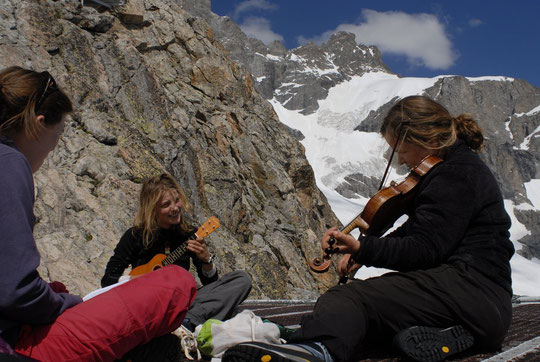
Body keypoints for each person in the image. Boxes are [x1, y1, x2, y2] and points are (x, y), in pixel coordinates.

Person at [222, 95, 515, 362]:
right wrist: (364, 254)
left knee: (346, 298)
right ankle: (451, 335)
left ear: (424, 138)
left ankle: (316, 352)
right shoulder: (455, 168)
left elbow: (426, 248)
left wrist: (364, 247)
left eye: (401, 149)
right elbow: (422, 231)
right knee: (370, 321)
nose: (400, 159)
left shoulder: (455, 174)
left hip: (471, 295)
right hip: (481, 304)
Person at [0, 66, 197, 361]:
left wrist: (206, 263)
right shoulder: (10, 163)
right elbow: (16, 290)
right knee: (178, 283)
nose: (53, 147)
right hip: (19, 342)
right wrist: (65, 304)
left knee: (59, 289)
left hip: (15, 327)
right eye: (58, 133)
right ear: (37, 125)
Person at [101, 173, 252, 331]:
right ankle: (191, 321)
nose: (175, 208)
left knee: (242, 279)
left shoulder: (189, 235)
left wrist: (207, 261)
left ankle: (187, 322)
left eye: (177, 200)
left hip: (182, 303)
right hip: (147, 305)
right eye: (166, 205)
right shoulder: (135, 236)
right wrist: (136, 279)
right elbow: (107, 280)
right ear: (153, 209)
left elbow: (211, 285)